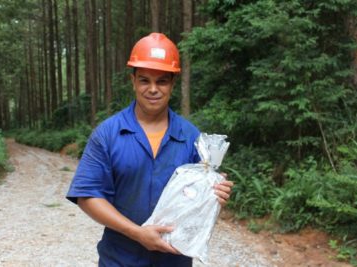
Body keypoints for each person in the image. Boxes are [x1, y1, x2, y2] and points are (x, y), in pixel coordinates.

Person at [66, 32, 233, 267]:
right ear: (133, 81)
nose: (153, 89)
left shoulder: (191, 137)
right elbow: (88, 195)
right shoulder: (108, 134)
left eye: (161, 81)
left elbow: (200, 197)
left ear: (172, 84)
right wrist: (137, 233)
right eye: (145, 80)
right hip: (120, 260)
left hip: (174, 260)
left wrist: (215, 193)